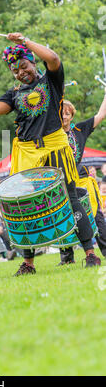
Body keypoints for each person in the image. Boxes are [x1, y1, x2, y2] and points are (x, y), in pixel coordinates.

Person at [0, 32, 101, 275]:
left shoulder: (51, 81)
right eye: (15, 70)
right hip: (27, 154)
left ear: (33, 62)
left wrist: (25, 41)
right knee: (26, 207)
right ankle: (28, 263)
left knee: (70, 200)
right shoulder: (14, 94)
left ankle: (90, 254)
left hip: (55, 147)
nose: (20, 72)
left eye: (23, 66)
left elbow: (55, 58)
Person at [59, 98, 106, 263]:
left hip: (78, 182)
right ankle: (66, 257)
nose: (64, 116)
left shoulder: (79, 130)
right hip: (57, 182)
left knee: (92, 214)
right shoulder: (51, 133)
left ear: (72, 115)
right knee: (60, 217)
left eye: (67, 113)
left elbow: (101, 115)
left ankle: (97, 252)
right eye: (61, 112)